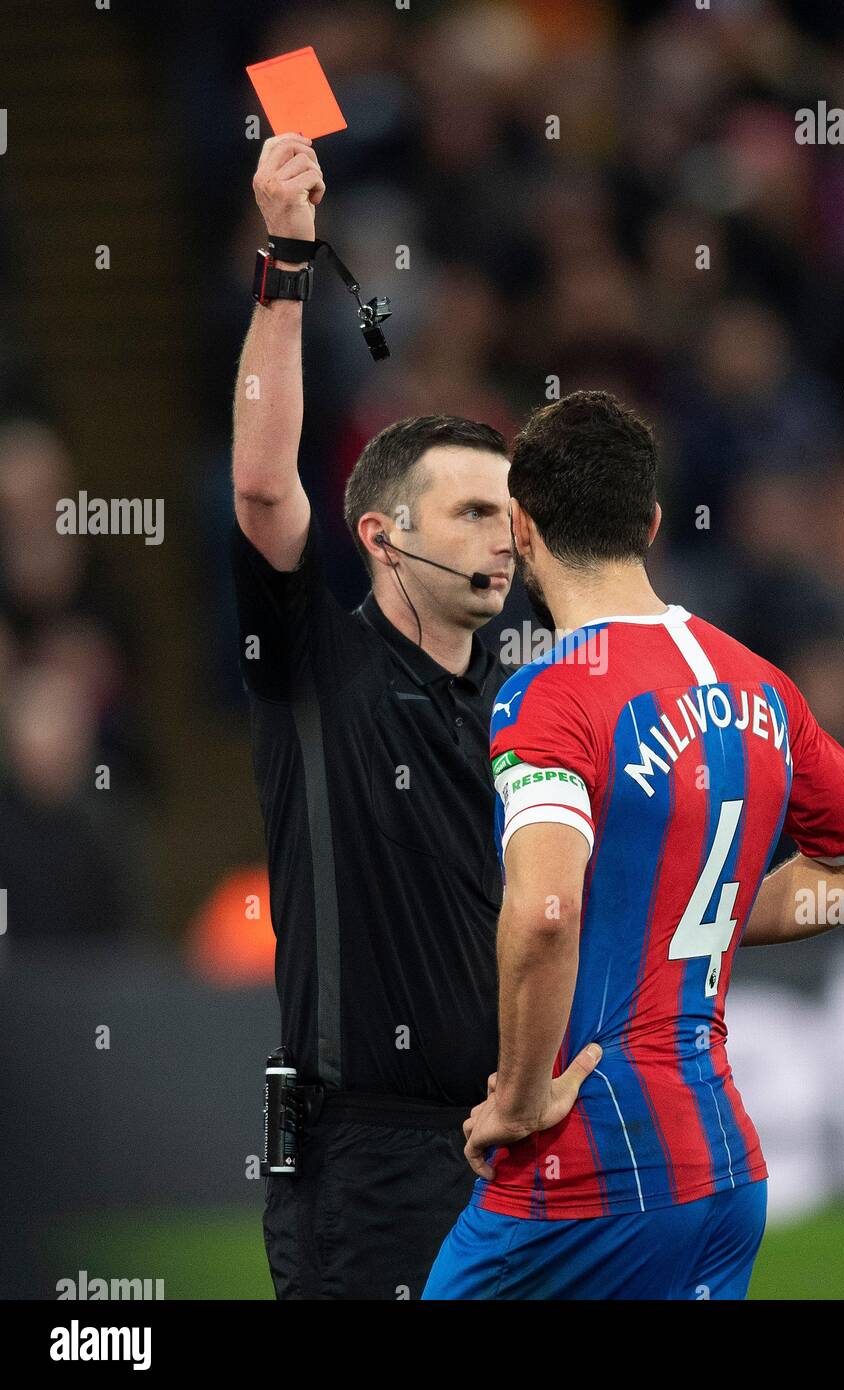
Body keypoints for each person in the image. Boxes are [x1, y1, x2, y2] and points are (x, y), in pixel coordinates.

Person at [423, 390, 844, 1300]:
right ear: (649, 523)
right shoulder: (761, 685)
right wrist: (713, 916)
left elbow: (542, 912)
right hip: (726, 1173)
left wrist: (522, 1098)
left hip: (586, 1173)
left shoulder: (549, 697)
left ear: (522, 529)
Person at [232, 132, 523, 1299]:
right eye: (468, 512)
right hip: (369, 1166)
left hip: (514, 1148)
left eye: (510, 513)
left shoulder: (523, 705)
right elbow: (262, 485)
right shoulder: (316, 665)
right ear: (381, 535)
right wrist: (288, 262)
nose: (503, 535)